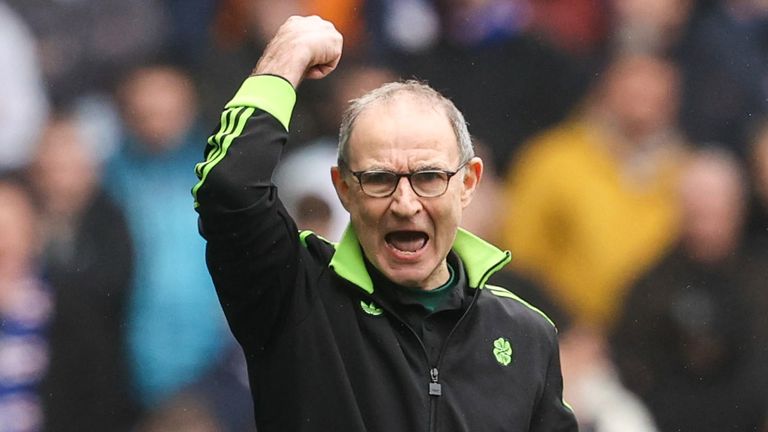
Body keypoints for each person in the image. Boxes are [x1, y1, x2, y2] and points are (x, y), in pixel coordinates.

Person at [193, 15, 577, 431]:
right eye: (379, 179)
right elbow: (229, 187)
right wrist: (286, 57)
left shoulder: (526, 333)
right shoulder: (294, 291)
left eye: (428, 177)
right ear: (343, 188)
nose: (405, 204)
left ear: (468, 183)